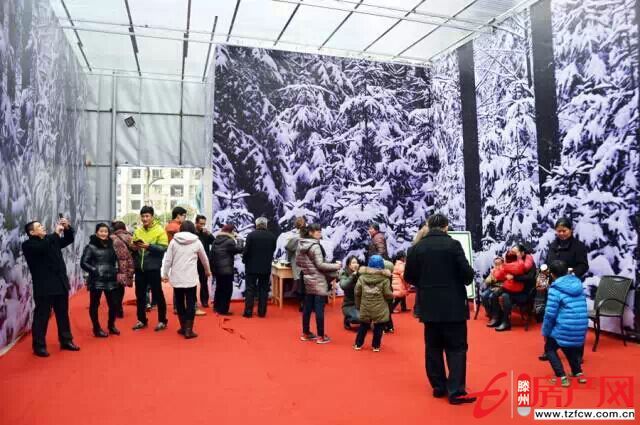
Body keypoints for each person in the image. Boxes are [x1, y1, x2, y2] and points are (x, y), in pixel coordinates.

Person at [404, 213, 476, 405]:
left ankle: (438, 386)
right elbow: (467, 275)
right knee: (457, 349)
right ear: (446, 226)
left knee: (433, 347)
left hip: (429, 306)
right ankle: (456, 391)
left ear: (428, 226)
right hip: (453, 306)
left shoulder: (416, 248)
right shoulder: (453, 245)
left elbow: (409, 277)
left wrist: (425, 283)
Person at [22, 218, 80, 357]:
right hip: (44, 287)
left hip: (60, 283)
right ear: (32, 232)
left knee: (63, 314)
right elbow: (43, 248)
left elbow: (68, 239)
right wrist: (55, 234)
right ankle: (39, 346)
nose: (43, 227)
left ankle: (66, 340)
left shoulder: (50, 239)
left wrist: (67, 228)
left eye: (42, 225)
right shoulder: (28, 245)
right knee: (42, 317)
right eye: (39, 226)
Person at [539, 217, 590, 361]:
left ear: (571, 230)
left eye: (564, 231)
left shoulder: (578, 246)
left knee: (572, 320)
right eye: (559, 231)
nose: (561, 233)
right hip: (554, 286)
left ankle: (577, 354)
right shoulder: (553, 245)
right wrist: (542, 281)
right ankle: (549, 350)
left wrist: (572, 273)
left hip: (570, 287)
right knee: (551, 317)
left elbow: (584, 266)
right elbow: (547, 264)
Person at [161, 221, 211, 339]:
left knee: (179, 303)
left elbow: (168, 260)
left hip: (177, 277)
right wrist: (207, 270)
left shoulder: (173, 241)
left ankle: (183, 327)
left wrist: (165, 274)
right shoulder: (197, 241)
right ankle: (189, 329)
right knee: (190, 303)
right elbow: (204, 258)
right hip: (190, 278)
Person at [542, 260, 588, 387]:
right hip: (581, 326)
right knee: (567, 345)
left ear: (552, 274)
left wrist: (545, 332)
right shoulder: (577, 284)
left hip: (566, 326)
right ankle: (578, 372)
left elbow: (550, 315)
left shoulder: (555, 289)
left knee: (549, 348)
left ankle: (561, 376)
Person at [297, 223, 341, 344]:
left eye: (320, 231)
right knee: (319, 308)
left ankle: (306, 333)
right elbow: (320, 265)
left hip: (307, 279)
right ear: (311, 232)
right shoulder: (315, 246)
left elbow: (298, 262)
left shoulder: (301, 244)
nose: (320, 233)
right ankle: (321, 336)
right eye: (317, 231)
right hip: (319, 281)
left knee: (307, 308)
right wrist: (336, 266)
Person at [130, 206, 169, 331]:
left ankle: (162, 320)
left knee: (158, 294)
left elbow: (164, 248)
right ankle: (141, 320)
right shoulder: (138, 230)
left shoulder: (160, 230)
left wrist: (149, 246)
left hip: (153, 268)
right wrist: (134, 247)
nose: (145, 219)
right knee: (140, 295)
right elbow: (132, 245)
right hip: (139, 268)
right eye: (143, 216)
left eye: (147, 216)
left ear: (152, 217)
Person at [81, 223, 121, 337]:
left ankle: (111, 325)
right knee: (94, 305)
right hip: (96, 280)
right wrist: (95, 270)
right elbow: (83, 263)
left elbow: (115, 260)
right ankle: (96, 328)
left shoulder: (112, 245)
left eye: (106, 231)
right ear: (96, 232)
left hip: (111, 279)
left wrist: (116, 270)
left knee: (114, 304)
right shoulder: (90, 246)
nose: (104, 233)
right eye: (101, 231)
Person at [491, 245, 536, 332]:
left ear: (522, 253)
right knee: (495, 294)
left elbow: (529, 278)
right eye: (511, 252)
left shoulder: (529, 263)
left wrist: (514, 277)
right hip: (512, 288)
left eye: (515, 252)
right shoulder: (512, 261)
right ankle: (497, 318)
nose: (512, 253)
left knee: (505, 296)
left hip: (524, 292)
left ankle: (506, 322)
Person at [354, 255, 393, 352]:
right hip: (380, 308)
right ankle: (376, 346)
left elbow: (357, 292)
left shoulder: (362, 277)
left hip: (365, 306)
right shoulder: (385, 279)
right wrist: (391, 299)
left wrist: (358, 305)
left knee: (363, 325)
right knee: (379, 326)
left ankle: (358, 344)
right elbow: (387, 294)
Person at [242, 217, 277, 318]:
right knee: (263, 290)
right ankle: (262, 312)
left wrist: (244, 260)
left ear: (256, 225)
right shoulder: (272, 236)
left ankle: (248, 312)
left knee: (250, 289)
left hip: (251, 267)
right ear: (266, 225)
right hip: (265, 267)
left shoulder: (251, 235)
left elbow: (246, 250)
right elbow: (273, 249)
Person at [211, 223, 243, 315]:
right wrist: (239, 239)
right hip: (226, 270)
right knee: (227, 290)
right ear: (231, 231)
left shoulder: (216, 240)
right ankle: (223, 310)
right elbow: (239, 249)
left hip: (217, 269)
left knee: (219, 288)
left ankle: (216, 307)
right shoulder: (229, 241)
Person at [110, 221, 135, 318]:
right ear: (124, 228)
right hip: (126, 265)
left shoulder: (111, 238)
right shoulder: (130, 237)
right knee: (121, 287)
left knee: (114, 287)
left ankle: (116, 307)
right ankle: (119, 307)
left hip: (114, 265)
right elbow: (135, 249)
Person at [285, 216, 307, 311]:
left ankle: (301, 303)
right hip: (307, 264)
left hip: (298, 263)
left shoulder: (294, 236)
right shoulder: (310, 235)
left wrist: (288, 261)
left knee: (299, 282)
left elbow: (289, 248)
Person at [195, 215, 215, 308]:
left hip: (203, 261)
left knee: (204, 282)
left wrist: (209, 234)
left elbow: (214, 242)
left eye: (204, 224)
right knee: (192, 282)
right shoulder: (192, 233)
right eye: (200, 223)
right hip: (193, 260)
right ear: (196, 223)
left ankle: (204, 301)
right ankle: (193, 301)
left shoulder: (206, 233)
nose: (202, 226)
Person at [339, 255, 361, 330]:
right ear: (349, 265)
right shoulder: (344, 273)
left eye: (356, 263)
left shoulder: (361, 273)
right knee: (358, 318)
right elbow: (343, 285)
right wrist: (352, 275)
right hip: (349, 305)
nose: (355, 264)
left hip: (361, 304)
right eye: (353, 263)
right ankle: (347, 319)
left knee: (372, 315)